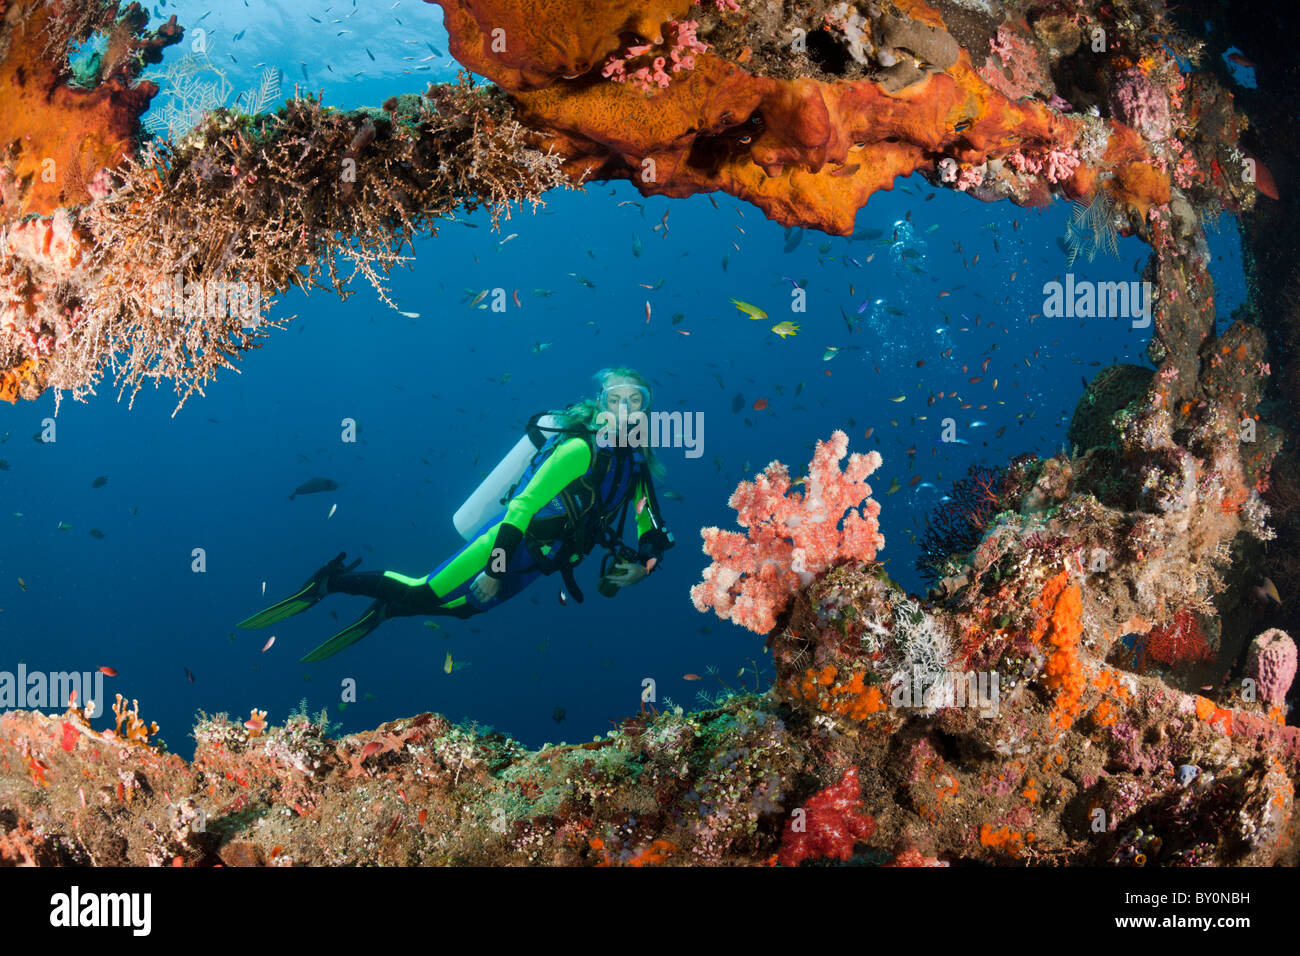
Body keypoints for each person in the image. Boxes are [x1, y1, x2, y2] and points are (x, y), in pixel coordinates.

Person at [238, 367, 675, 661]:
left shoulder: (635, 465)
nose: (627, 409)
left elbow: (649, 524)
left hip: (546, 559)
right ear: (600, 405)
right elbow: (520, 508)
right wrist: (494, 568)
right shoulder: (580, 451)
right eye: (616, 399)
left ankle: (388, 611)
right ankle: (329, 582)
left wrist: (645, 566)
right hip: (508, 544)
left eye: (637, 401)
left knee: (467, 610)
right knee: (425, 591)